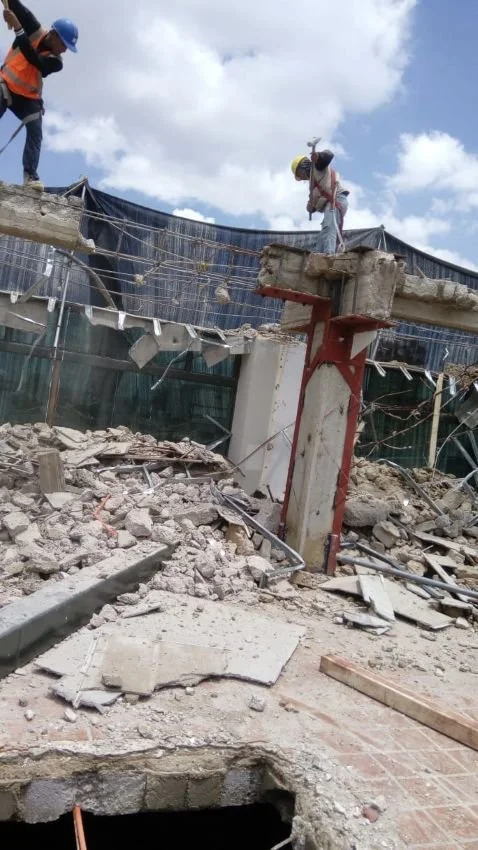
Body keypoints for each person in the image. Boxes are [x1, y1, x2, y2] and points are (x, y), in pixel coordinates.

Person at [0, 1, 78, 190]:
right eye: (64, 44)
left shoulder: (56, 62)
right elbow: (15, 5)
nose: (65, 50)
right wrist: (11, 13)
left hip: (28, 99)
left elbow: (36, 62)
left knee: (36, 131)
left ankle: (30, 178)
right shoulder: (33, 28)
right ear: (53, 35)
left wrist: (18, 29)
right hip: (5, 85)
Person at [291, 150, 349, 254]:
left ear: (303, 167)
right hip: (331, 204)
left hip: (336, 200)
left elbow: (328, 155)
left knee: (329, 227)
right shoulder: (313, 185)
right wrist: (310, 207)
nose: (302, 177)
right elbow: (313, 205)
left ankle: (329, 255)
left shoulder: (317, 168)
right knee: (324, 233)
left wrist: (318, 156)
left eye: (300, 173)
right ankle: (319, 255)